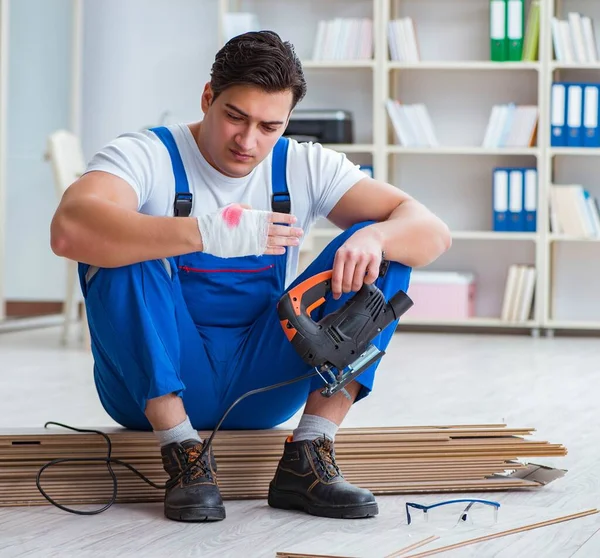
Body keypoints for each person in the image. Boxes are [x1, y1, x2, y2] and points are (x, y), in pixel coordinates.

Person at [50, 30, 451, 523]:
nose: (247, 141)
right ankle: (184, 455)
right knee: (116, 246)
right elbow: (70, 229)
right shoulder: (147, 155)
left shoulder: (302, 164)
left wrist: (374, 239)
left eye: (268, 126)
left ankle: (310, 454)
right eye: (234, 117)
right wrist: (205, 232)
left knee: (385, 246)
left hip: (262, 383)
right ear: (207, 98)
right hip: (149, 385)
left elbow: (432, 233)